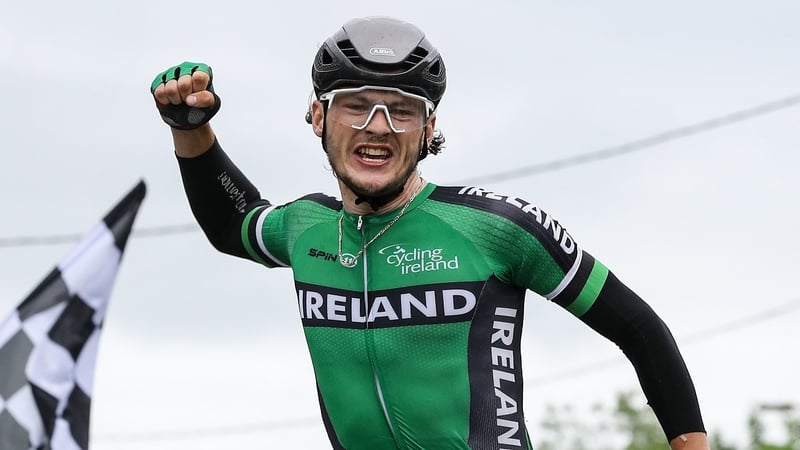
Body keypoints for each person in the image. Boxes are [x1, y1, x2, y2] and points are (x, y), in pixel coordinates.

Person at [150, 16, 709, 450]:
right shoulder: (305, 227)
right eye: (357, 107)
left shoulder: (495, 227)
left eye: (402, 111)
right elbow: (232, 224)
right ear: (318, 118)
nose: (378, 127)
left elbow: (638, 327)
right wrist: (190, 131)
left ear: (430, 128)